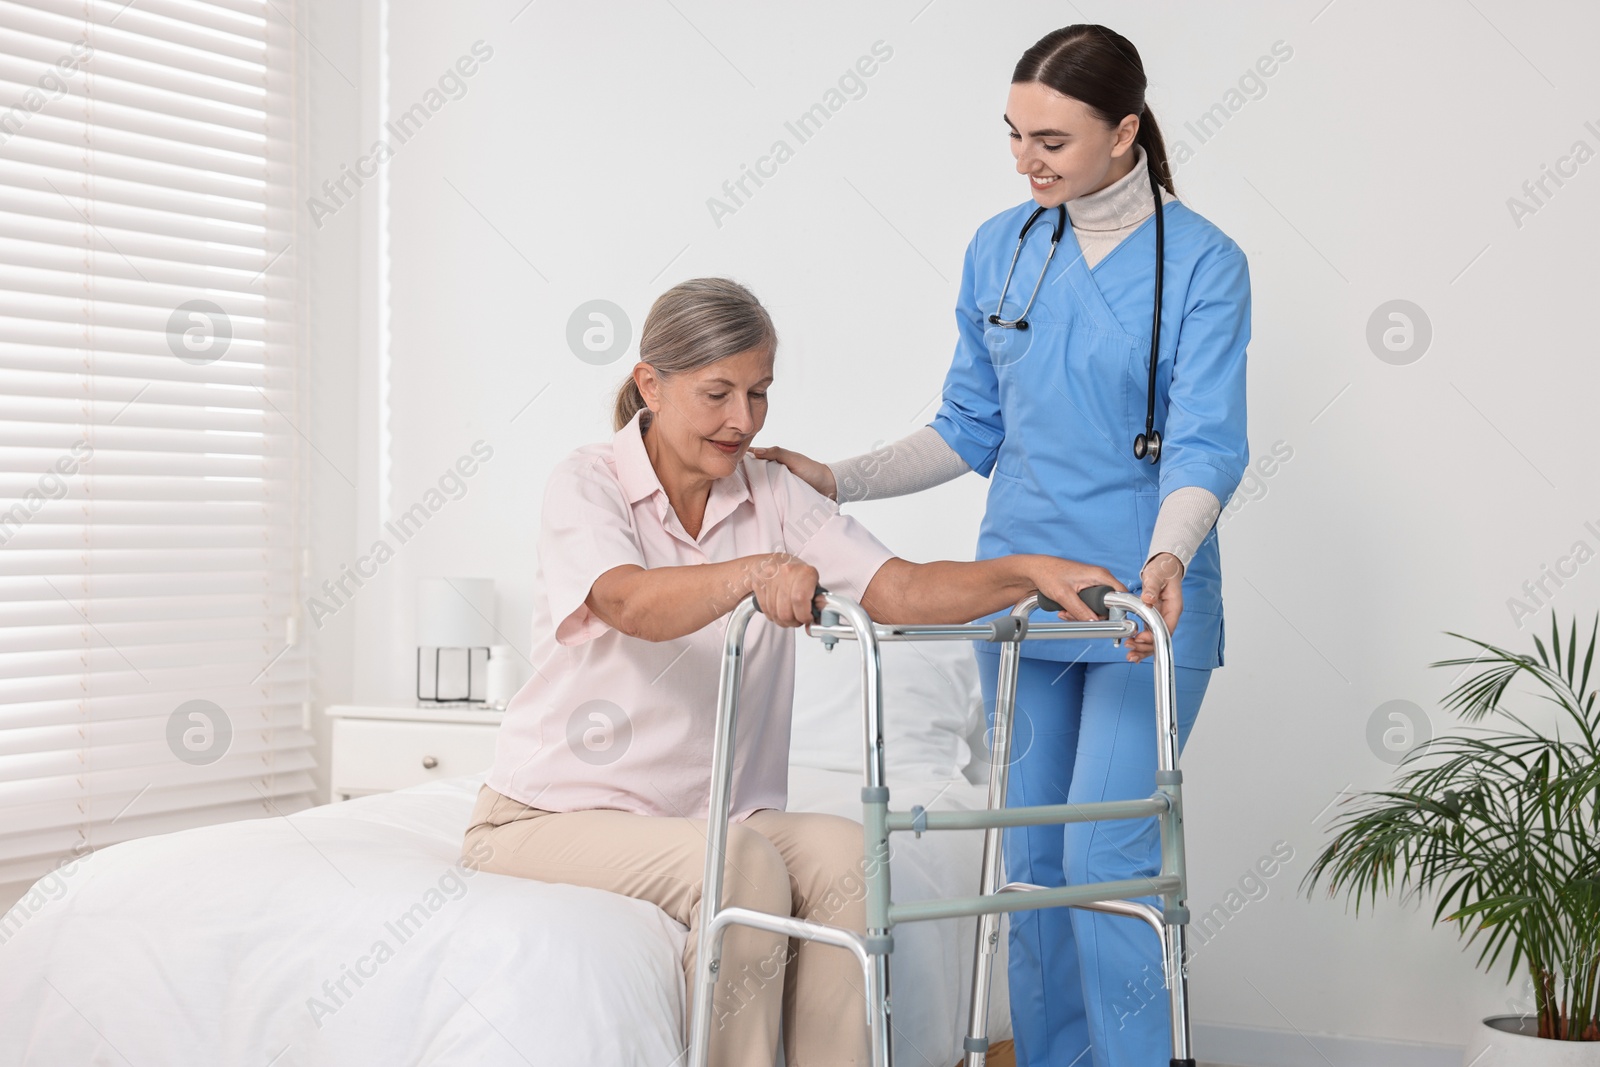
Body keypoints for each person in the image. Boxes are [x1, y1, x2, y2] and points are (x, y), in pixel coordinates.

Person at [461, 277, 1127, 1067]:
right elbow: (630, 602)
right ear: (651, 384)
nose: (742, 420)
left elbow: (902, 588)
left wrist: (1028, 570)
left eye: (759, 393)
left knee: (851, 858)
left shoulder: (771, 491)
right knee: (740, 865)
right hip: (545, 816)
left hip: (709, 817)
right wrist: (754, 574)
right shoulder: (587, 481)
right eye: (717, 393)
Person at [751, 24, 1251, 1067]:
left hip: (1133, 607)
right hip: (1017, 598)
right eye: (1015, 135)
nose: (1027, 159)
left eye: (1053, 140)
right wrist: (835, 476)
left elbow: (1205, 440)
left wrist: (1165, 560)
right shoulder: (1003, 246)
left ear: (1125, 133)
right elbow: (965, 428)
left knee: (1104, 859)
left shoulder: (1203, 262)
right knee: (1026, 861)